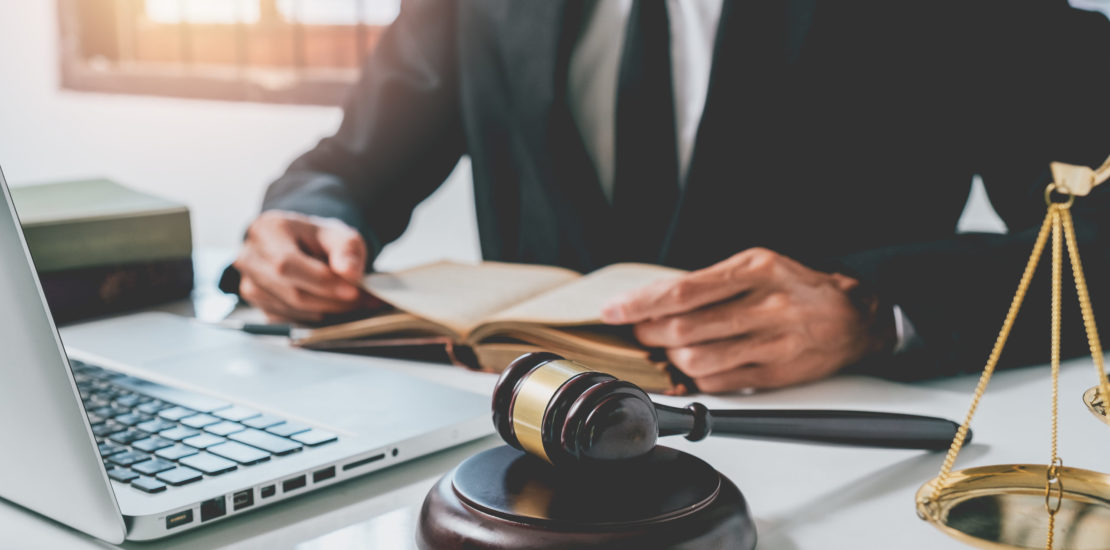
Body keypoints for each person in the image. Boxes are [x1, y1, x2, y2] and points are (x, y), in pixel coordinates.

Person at [226, 0, 1110, 393]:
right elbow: (355, 160)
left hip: (827, 454)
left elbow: (1099, 239)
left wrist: (871, 309)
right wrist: (310, 216)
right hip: (514, 443)